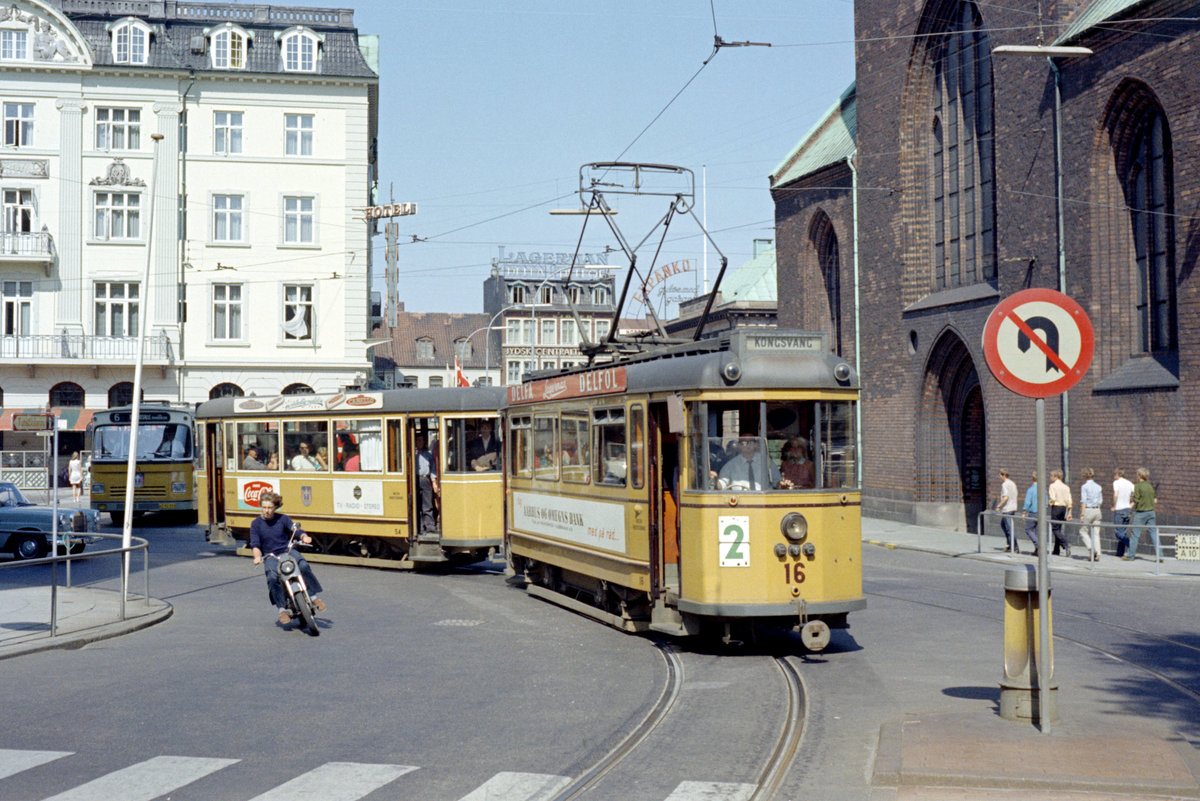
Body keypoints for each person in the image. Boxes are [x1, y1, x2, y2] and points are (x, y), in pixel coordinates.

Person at [250, 492, 326, 625]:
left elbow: (295, 531)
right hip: (271, 556)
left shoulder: (283, 519)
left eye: (270, 508)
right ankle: (282, 609)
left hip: (288, 550)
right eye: (264, 507)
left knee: (303, 565)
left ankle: (313, 597)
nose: (266, 511)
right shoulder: (256, 524)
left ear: (275, 507)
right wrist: (257, 557)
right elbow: (255, 544)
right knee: (272, 578)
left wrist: (304, 537)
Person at [717, 435, 792, 491]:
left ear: (756, 444)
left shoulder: (767, 462)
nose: (748, 445)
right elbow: (721, 485)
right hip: (739, 504)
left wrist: (782, 484)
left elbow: (777, 482)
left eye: (751, 442)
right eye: (744, 443)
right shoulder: (730, 465)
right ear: (739, 445)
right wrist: (713, 480)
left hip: (764, 502)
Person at [1126, 467, 1158, 561]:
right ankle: (1160, 556)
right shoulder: (1150, 486)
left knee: (1135, 535)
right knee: (1154, 533)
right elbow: (1155, 500)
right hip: (1151, 512)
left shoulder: (1138, 486)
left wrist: (1130, 505)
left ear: (1139, 475)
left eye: (1137, 474)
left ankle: (1130, 556)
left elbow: (1136, 499)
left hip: (1141, 513)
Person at [414, 433, 439, 534]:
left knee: (427, 504)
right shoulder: (413, 454)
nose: (420, 442)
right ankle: (419, 526)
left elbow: (433, 468)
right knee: (417, 503)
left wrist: (433, 481)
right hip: (416, 479)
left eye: (422, 440)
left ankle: (429, 525)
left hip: (425, 479)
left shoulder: (427, 454)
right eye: (418, 440)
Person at [1078, 467, 1103, 562]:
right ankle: (1098, 554)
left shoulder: (1084, 487)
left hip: (1088, 510)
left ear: (1084, 476)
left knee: (1083, 531)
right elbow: (1100, 501)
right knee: (1096, 533)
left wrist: (1082, 514)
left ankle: (1091, 548)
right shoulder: (1098, 486)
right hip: (1097, 510)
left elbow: (1083, 501)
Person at [1048, 469, 1072, 556]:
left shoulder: (1052, 486)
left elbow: (1053, 498)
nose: (1050, 478)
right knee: (1058, 528)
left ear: (1055, 477)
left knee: (1054, 529)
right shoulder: (1066, 487)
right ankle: (1056, 550)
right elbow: (1069, 500)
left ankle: (1066, 542)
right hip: (1063, 508)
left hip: (1056, 507)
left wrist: (1050, 503)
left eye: (1051, 476)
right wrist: (1069, 512)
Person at [1112, 467, 1134, 558]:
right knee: (1123, 531)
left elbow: (1115, 494)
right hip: (1127, 509)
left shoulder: (1116, 483)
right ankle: (1120, 552)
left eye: (1114, 474)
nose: (1114, 476)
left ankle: (1132, 545)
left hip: (1119, 509)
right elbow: (1133, 495)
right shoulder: (1130, 483)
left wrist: (1114, 506)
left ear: (1118, 474)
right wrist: (1130, 504)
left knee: (1118, 532)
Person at [997, 468, 1019, 553]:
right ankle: (1010, 544)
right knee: (1003, 525)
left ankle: (1015, 547)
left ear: (1004, 475)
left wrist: (999, 506)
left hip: (1007, 508)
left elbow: (1005, 497)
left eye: (1000, 475)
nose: (999, 477)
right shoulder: (1012, 483)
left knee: (1009, 528)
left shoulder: (1005, 484)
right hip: (1013, 507)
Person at [1023, 471, 1039, 555]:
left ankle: (1039, 546)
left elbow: (1027, 502)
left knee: (1028, 529)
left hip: (1033, 512)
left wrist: (1024, 512)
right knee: (1037, 531)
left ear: (1032, 478)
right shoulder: (1043, 490)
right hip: (1041, 513)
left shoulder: (1031, 490)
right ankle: (1037, 550)